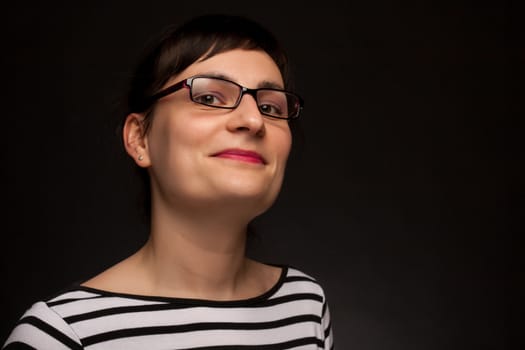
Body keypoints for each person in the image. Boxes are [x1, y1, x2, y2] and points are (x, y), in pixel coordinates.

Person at [3, 13, 334, 349]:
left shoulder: (304, 305)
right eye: (208, 98)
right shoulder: (59, 335)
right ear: (139, 139)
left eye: (270, 107)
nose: (253, 120)